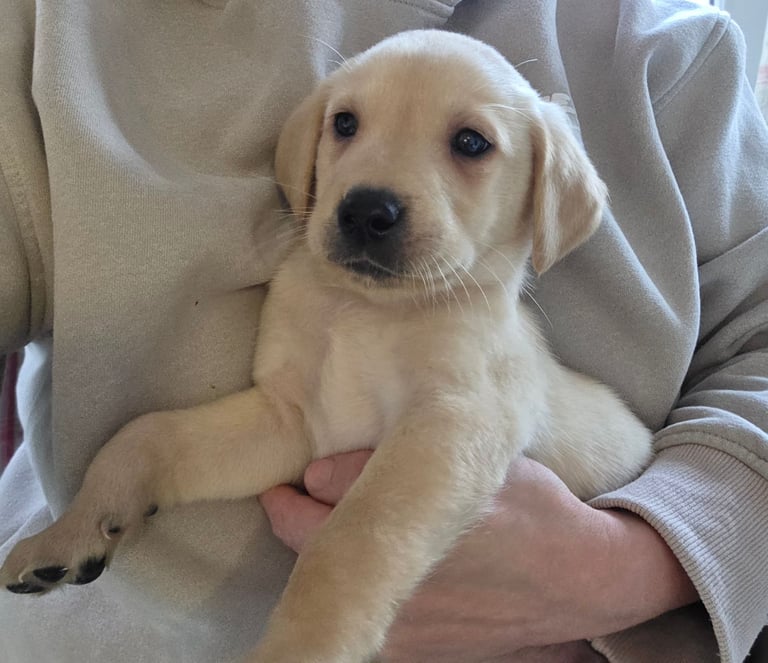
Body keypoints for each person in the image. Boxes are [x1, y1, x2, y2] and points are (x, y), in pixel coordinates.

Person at [0, 0, 766, 661]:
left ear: (544, 199)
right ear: (306, 152)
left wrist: (627, 567)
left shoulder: (669, 46)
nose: (375, 194)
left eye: (470, 144)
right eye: (346, 125)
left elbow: (443, 449)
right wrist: (140, 465)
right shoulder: (306, 290)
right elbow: (285, 420)